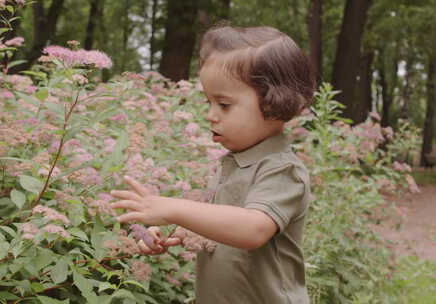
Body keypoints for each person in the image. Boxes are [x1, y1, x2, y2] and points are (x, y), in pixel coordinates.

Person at [110, 25, 315, 303]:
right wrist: (179, 231)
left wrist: (172, 209)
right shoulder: (233, 162)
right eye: (208, 102)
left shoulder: (281, 169)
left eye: (224, 104)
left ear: (274, 103)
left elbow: (253, 229)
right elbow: (224, 222)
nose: (210, 115)